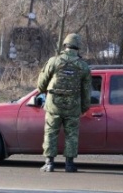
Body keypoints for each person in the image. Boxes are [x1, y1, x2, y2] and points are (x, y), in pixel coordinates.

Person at [37, 33, 91, 173]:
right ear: (78, 47)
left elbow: (42, 83)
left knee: (50, 132)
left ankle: (49, 164)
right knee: (71, 134)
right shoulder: (83, 66)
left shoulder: (54, 61)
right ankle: (69, 164)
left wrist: (42, 91)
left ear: (65, 45)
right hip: (73, 105)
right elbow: (86, 90)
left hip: (54, 104)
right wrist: (84, 107)